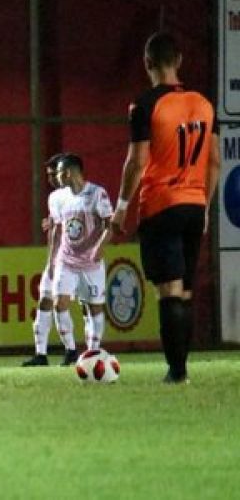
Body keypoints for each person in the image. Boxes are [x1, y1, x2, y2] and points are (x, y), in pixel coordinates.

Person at [111, 32, 221, 384]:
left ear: (148, 63)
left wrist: (121, 207)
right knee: (185, 290)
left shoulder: (145, 104)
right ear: (180, 61)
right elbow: (215, 162)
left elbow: (136, 161)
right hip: (194, 204)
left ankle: (177, 372)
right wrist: (204, 207)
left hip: (161, 205)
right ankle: (180, 370)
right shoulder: (204, 104)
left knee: (169, 291)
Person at [51, 153, 113, 354]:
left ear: (68, 173)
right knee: (59, 303)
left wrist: (99, 248)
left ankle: (93, 351)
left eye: (59, 172)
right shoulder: (59, 198)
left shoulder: (96, 193)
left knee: (93, 307)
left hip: (90, 262)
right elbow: (58, 229)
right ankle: (70, 351)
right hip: (67, 260)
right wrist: (52, 260)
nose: (56, 177)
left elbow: (109, 225)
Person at [22, 153, 79, 367]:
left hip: (72, 259)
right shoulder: (55, 197)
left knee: (63, 304)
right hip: (56, 258)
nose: (51, 178)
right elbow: (56, 227)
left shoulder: (74, 194)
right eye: (48, 175)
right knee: (45, 302)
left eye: (53, 173)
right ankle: (41, 354)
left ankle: (72, 350)